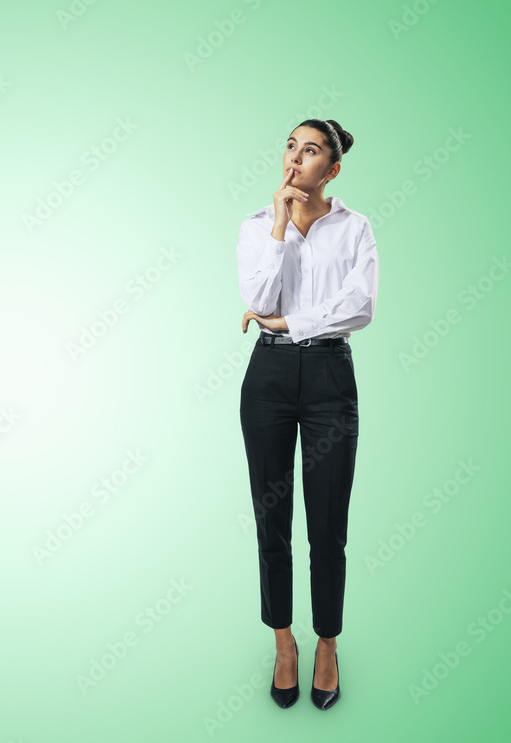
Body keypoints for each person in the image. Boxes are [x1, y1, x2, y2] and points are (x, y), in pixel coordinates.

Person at [236, 119, 379, 710]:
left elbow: (361, 306)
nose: (295, 158)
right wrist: (278, 226)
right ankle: (284, 642)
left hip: (327, 378)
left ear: (333, 168)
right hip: (267, 378)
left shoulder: (355, 228)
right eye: (290, 146)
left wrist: (296, 323)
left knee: (327, 524)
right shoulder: (253, 228)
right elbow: (260, 301)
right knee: (270, 520)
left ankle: (326, 643)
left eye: (311, 149)